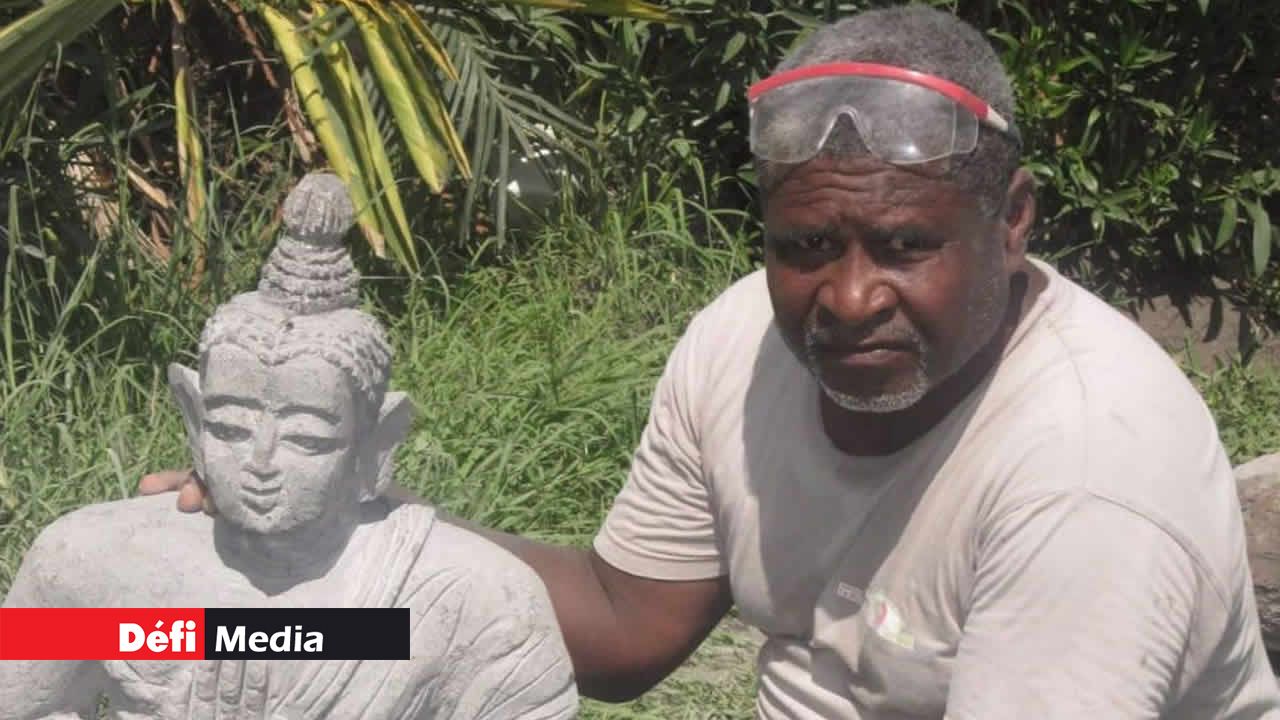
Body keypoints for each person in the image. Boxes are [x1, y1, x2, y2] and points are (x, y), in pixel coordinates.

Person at [140, 6, 1280, 718]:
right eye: (802, 248)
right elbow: (624, 623)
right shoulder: (741, 339)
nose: (844, 297)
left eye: (904, 246)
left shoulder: (1084, 477)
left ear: (1014, 220)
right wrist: (339, 539)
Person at [6, 173, 577, 720]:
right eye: (230, 429)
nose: (260, 464)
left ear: (374, 441)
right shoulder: (94, 562)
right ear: (193, 413)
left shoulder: (470, 598)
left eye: (307, 438)